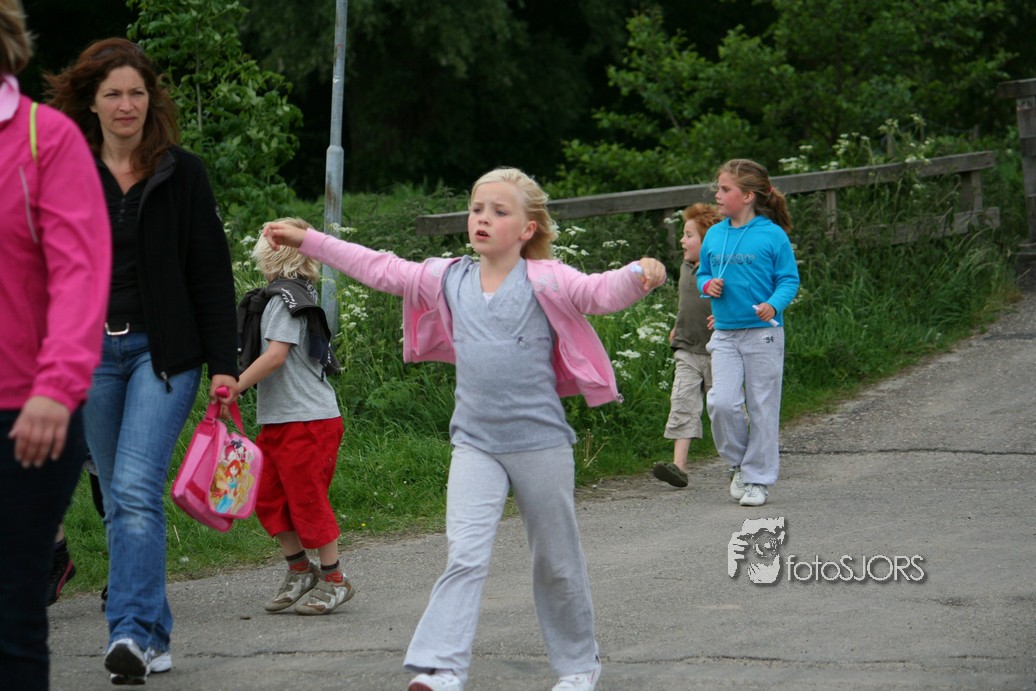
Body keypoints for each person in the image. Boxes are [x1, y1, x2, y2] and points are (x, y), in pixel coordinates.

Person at [263, 167, 667, 691]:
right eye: (477, 209)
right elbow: (379, 267)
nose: (483, 219)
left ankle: (577, 667)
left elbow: (598, 293)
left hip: (541, 444)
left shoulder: (549, 278)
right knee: (465, 556)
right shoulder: (447, 278)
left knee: (557, 562)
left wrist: (639, 272)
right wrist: (310, 241)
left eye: (499, 211)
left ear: (527, 228)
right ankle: (441, 668)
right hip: (474, 444)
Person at [45, 38, 239, 684]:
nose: (126, 104)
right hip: (89, 354)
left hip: (164, 355)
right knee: (118, 495)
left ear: (150, 99)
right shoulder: (65, 172)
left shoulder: (182, 173)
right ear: (92, 102)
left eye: (136, 92)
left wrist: (224, 364)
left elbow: (211, 274)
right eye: (113, 94)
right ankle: (153, 635)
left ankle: (128, 630)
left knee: (131, 487)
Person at [0, 1, 111, 687]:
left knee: (10, 615)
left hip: (25, 413)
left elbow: (79, 273)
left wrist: (56, 386)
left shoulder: (46, 139)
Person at [236, 219, 354, 616]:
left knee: (308, 500)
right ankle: (301, 569)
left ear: (270, 254)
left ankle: (335, 579)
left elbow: (274, 357)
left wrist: (236, 386)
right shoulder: (285, 295)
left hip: (309, 421)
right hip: (280, 420)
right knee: (268, 498)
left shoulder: (283, 300)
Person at [696, 159, 800, 507]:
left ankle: (758, 479)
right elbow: (702, 273)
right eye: (718, 188)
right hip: (725, 333)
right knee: (721, 402)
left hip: (763, 335)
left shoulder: (772, 235)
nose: (717, 194)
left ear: (748, 196)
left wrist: (773, 304)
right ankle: (740, 464)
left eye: (725, 189)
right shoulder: (714, 234)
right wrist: (707, 285)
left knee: (763, 408)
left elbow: (789, 280)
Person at [652, 203, 721, 489]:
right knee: (682, 403)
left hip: (719, 351)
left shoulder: (719, 269)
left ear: (708, 241)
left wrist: (726, 318)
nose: (682, 240)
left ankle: (743, 463)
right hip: (687, 348)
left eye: (689, 235)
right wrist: (676, 327)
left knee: (726, 409)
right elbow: (686, 304)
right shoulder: (684, 267)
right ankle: (678, 467)